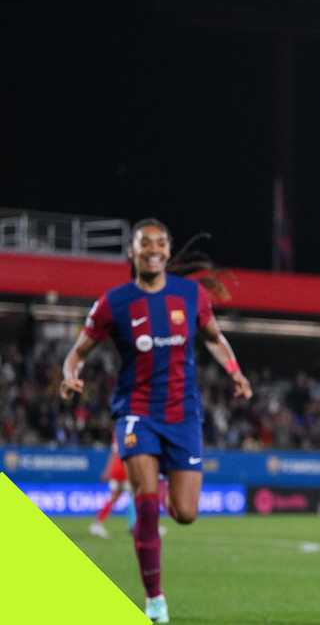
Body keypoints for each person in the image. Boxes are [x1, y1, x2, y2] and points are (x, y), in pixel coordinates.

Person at [61, 218, 251, 623]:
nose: (153, 248)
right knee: (145, 503)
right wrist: (68, 374)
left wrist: (235, 371)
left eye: (160, 242)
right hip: (136, 412)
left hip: (183, 414)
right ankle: (155, 601)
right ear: (132, 252)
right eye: (144, 242)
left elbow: (215, 338)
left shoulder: (191, 295)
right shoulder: (113, 302)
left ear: (167, 251)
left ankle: (162, 484)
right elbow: (78, 352)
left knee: (185, 513)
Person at [89, 431, 136, 538]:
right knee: (136, 497)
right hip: (125, 469)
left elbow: (114, 453)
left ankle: (97, 523)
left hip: (117, 469)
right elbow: (131, 452)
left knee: (115, 498)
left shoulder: (118, 431)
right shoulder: (131, 431)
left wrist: (108, 470)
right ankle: (135, 526)